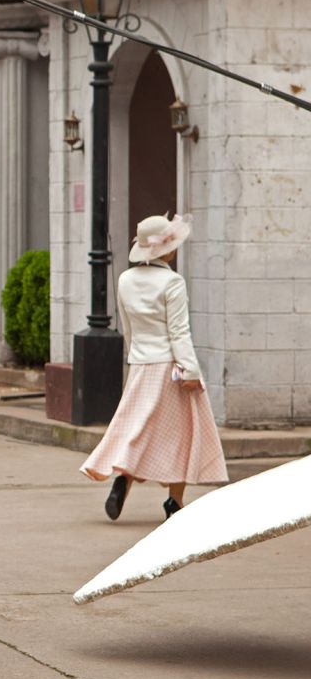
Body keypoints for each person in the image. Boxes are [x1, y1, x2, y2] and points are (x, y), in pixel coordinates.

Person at [81, 214, 227, 521]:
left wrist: (135, 357)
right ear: (169, 250)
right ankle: (174, 500)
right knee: (182, 433)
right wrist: (190, 370)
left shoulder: (125, 280)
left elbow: (129, 326)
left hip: (141, 364)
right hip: (171, 366)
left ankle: (124, 478)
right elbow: (179, 331)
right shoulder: (172, 282)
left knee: (137, 427)